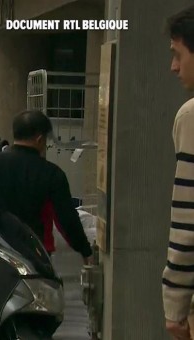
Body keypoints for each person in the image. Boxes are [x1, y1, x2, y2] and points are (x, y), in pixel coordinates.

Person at [0, 110, 92, 262]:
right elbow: (66, 220)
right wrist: (85, 250)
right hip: (36, 253)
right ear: (40, 139)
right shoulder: (52, 174)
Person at [163, 6, 194, 340]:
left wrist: (175, 306)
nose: (173, 66)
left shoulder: (191, 117)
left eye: (178, 54)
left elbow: (187, 219)